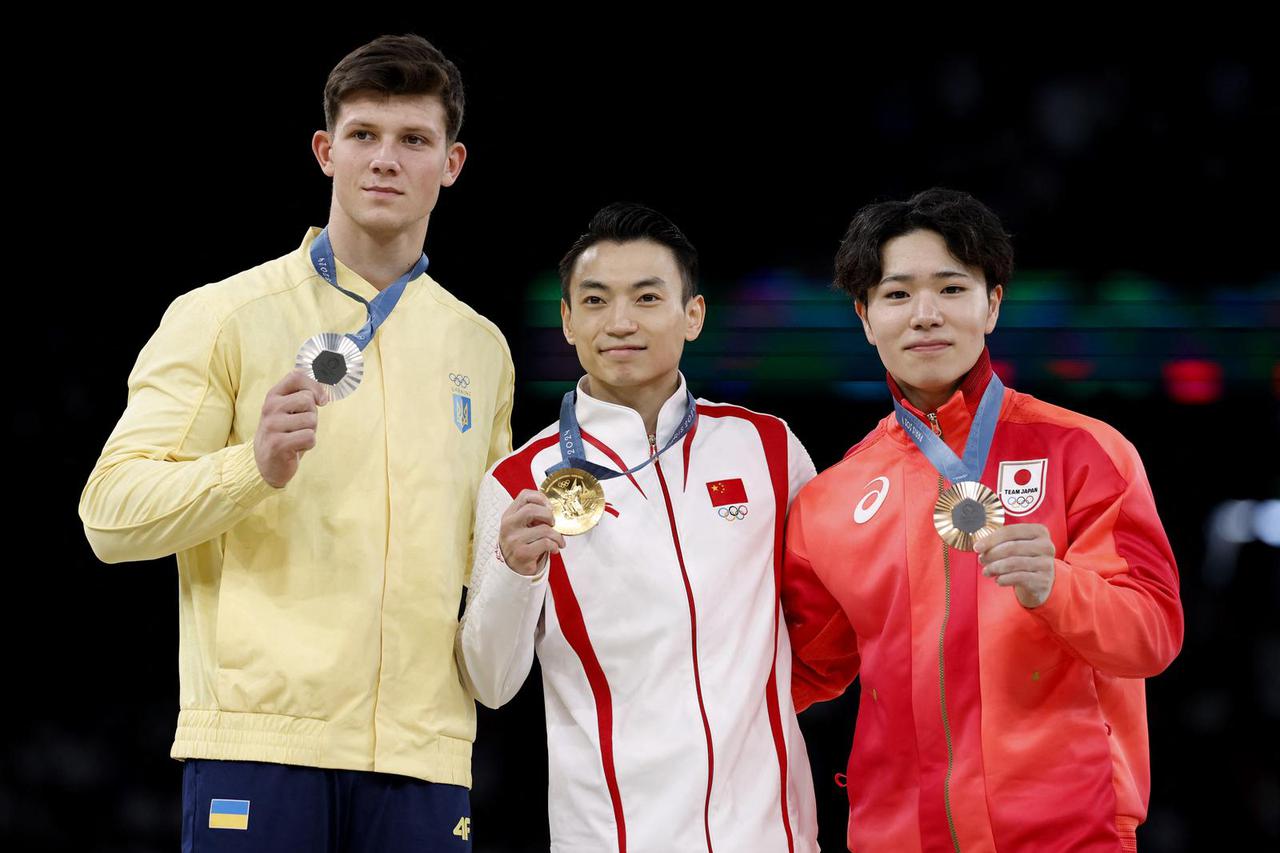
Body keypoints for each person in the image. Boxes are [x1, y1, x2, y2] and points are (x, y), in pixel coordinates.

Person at [78, 34, 512, 851]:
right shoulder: (224, 315)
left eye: (413, 140)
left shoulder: (480, 349)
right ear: (325, 151)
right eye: (364, 136)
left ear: (451, 163)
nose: (386, 160)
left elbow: (480, 559)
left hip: (424, 753)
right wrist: (253, 466)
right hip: (262, 744)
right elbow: (109, 515)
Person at [782, 188, 1183, 852]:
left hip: (1070, 834)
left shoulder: (1087, 451)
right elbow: (797, 667)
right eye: (897, 294)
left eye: (951, 288)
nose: (926, 315)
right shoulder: (831, 498)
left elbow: (1152, 635)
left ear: (991, 304)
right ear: (864, 316)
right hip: (897, 839)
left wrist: (1058, 585)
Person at [457, 203, 819, 852]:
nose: (620, 322)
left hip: (774, 834)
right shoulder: (517, 482)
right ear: (567, 321)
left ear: (693, 314)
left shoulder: (767, 449)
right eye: (595, 300)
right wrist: (514, 570)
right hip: (613, 837)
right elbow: (489, 680)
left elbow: (825, 623)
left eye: (647, 297)